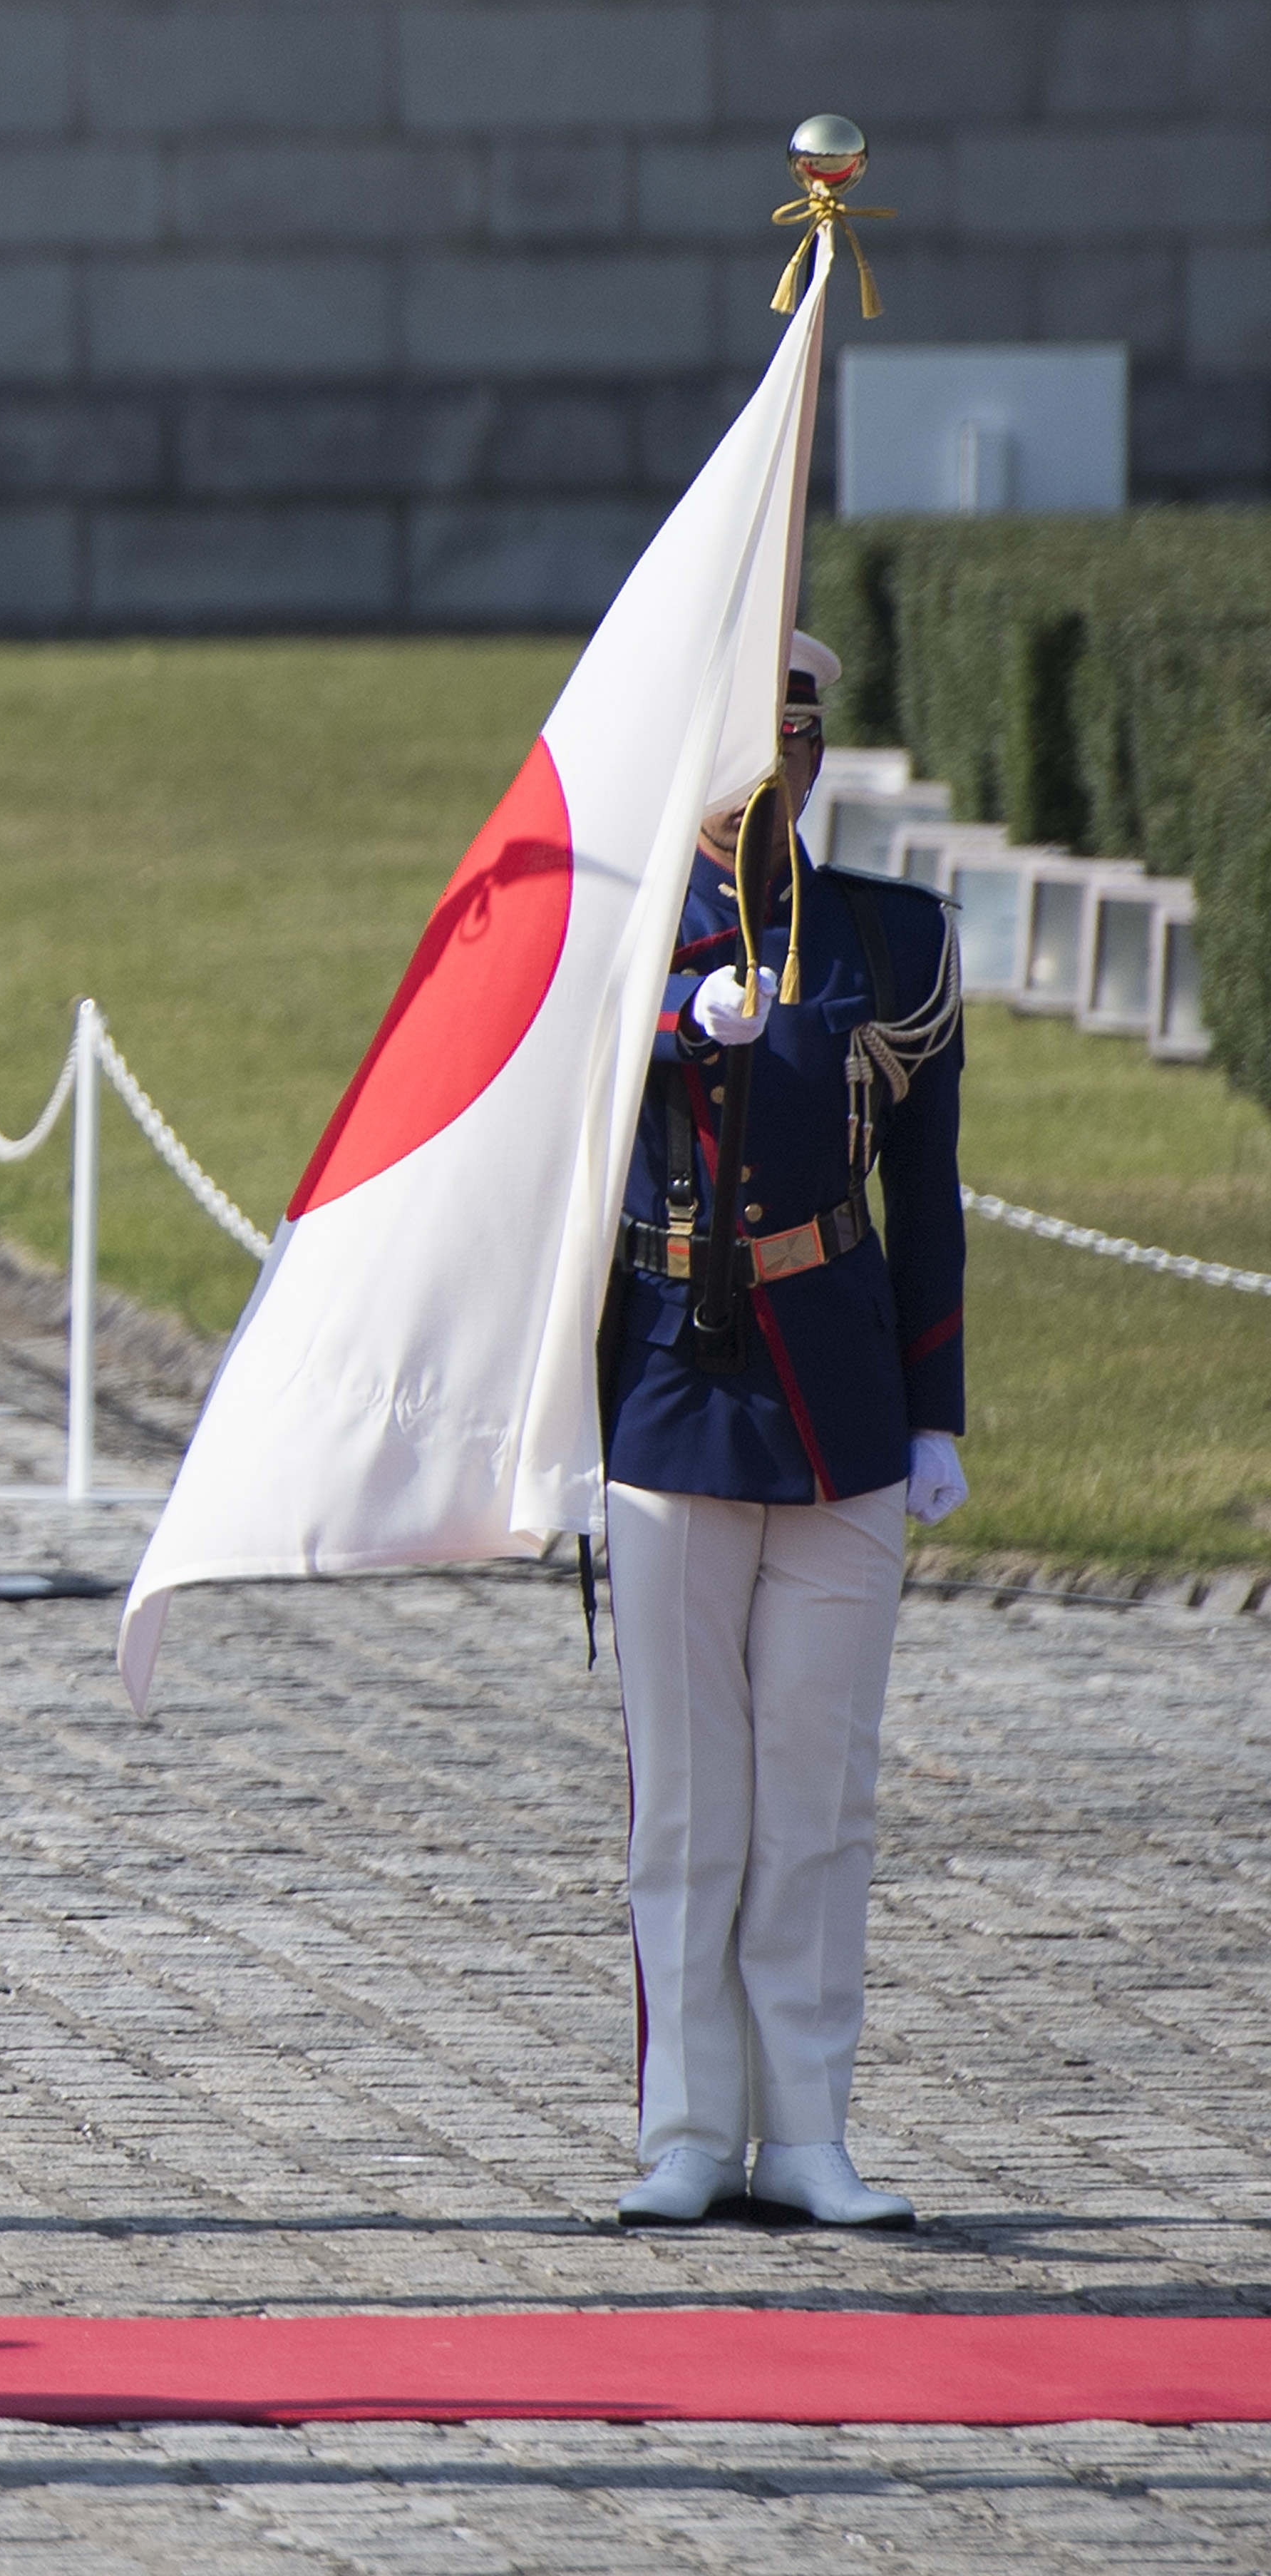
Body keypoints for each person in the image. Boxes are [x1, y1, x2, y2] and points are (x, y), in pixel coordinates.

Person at [605, 630, 968, 2232]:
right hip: (676, 1382)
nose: (776, 787)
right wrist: (687, 1024)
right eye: (755, 759)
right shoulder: (619, 943)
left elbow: (929, 1194)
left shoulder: (888, 943)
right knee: (691, 1796)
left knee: (818, 1789)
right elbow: (557, 1147)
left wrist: (938, 1402)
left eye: (795, 757)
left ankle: (807, 2123)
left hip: (838, 1397)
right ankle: (689, 2122)